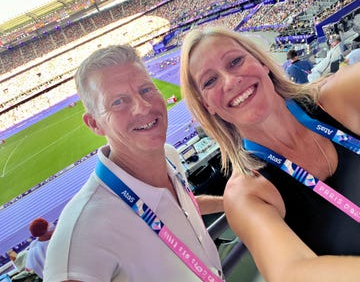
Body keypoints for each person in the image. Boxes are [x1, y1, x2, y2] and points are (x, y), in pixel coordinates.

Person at [180, 26, 360, 282]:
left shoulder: (341, 95)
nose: (230, 81)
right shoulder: (247, 194)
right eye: (210, 81)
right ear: (207, 105)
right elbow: (290, 271)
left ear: (261, 62)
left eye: (235, 61)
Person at [43, 45, 224, 282]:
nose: (143, 106)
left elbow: (178, 209)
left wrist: (231, 202)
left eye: (146, 89)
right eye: (118, 102)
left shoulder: (169, 157)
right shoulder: (82, 231)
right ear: (94, 124)